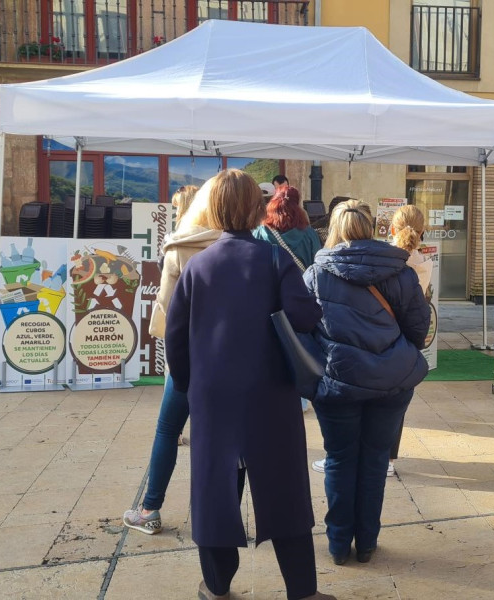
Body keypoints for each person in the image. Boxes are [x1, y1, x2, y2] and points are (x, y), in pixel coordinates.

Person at [165, 169, 333, 600]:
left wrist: (188, 387)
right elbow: (304, 317)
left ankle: (217, 587)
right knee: (285, 491)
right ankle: (303, 591)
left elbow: (175, 337)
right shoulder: (275, 260)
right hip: (270, 392)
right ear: (257, 210)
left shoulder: (197, 266)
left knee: (215, 492)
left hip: (212, 396)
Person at [303, 199, 430, 566]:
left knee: (340, 459)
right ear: (371, 229)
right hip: (390, 382)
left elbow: (303, 329)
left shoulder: (316, 274)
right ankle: (368, 543)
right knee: (375, 461)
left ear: (335, 231)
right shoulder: (400, 271)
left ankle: (339, 544)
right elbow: (418, 328)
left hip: (338, 382)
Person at [123, 179, 223, 535]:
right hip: (228, 357)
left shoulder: (178, 248)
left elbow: (165, 310)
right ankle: (216, 516)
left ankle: (150, 508)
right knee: (222, 438)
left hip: (188, 356)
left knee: (168, 429)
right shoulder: (239, 245)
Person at [254, 186, 322, 412]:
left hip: (269, 299)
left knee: (272, 347)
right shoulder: (308, 233)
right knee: (299, 347)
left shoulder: (262, 232)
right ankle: (301, 398)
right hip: (300, 298)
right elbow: (316, 265)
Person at [253, 186, 322, 272]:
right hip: (300, 284)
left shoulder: (260, 232)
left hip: (268, 284)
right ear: (298, 206)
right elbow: (318, 266)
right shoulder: (309, 234)